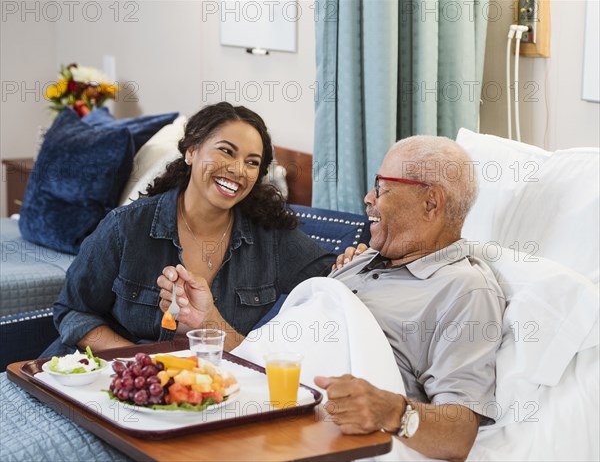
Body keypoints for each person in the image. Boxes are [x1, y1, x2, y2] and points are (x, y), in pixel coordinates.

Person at [161, 135, 505, 461]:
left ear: (430, 203)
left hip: (308, 434)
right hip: (248, 403)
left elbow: (459, 436)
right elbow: (275, 364)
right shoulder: (357, 262)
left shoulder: (463, 289)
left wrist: (392, 411)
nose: (369, 199)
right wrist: (207, 321)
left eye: (381, 188)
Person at [41, 102, 338, 357]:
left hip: (211, 393)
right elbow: (72, 310)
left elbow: (337, 284)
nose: (238, 170)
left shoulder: (272, 238)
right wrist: (138, 363)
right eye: (226, 151)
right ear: (192, 151)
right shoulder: (126, 227)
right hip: (105, 378)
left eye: (252, 162)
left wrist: (359, 258)